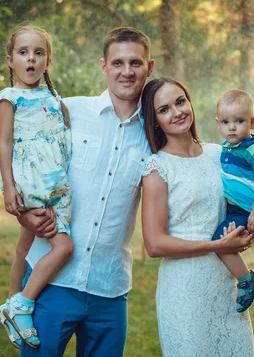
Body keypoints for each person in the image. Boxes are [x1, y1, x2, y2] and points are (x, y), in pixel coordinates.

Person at [15, 27, 159, 357]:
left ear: (149, 68)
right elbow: (17, 155)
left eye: (135, 63)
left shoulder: (155, 135)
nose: (126, 71)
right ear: (103, 66)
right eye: (118, 62)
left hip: (109, 289)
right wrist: (22, 211)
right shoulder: (68, 111)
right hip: (52, 281)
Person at [140, 77, 254, 357]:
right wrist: (218, 246)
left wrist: (245, 231)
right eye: (164, 109)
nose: (177, 112)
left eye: (180, 102)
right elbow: (155, 245)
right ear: (155, 121)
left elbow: (240, 202)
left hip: (228, 287)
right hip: (184, 291)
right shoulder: (158, 167)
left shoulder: (220, 154)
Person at [0, 24, 74, 350]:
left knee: (24, 247)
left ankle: (11, 303)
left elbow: (64, 133)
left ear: (47, 60)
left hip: (55, 183)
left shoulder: (54, 98)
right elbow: (4, 145)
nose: (31, 59)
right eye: (24, 53)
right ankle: (22, 304)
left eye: (38, 53)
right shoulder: (8, 98)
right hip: (29, 182)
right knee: (64, 247)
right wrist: (9, 189)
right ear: (10, 60)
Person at [212, 89, 254, 313]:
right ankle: (245, 278)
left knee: (220, 243)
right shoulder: (226, 148)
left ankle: (248, 280)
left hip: (249, 212)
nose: (232, 127)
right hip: (234, 211)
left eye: (239, 121)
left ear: (253, 122)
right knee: (223, 241)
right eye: (226, 122)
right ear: (218, 123)